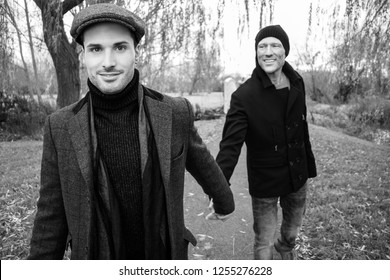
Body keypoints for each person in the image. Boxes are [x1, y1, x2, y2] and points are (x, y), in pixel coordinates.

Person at [28, 3, 234, 260]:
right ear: (83, 56)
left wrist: (225, 201)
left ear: (136, 51)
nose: (108, 62)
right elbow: (51, 215)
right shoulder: (59, 126)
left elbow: (201, 161)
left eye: (120, 47)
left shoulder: (174, 112)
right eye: (95, 49)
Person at [216, 25, 317, 260]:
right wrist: (218, 190)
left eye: (275, 45)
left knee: (291, 235)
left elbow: (302, 129)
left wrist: (309, 168)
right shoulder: (243, 96)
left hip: (297, 178)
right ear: (256, 52)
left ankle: (285, 250)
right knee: (263, 244)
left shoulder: (297, 83)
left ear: (285, 52)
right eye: (262, 46)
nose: (268, 52)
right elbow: (230, 146)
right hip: (265, 183)